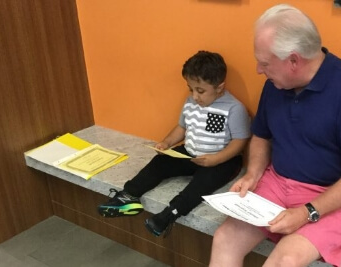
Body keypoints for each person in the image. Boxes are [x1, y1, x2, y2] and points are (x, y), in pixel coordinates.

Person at [210, 4, 341, 267]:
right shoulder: (275, 83)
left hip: (332, 196)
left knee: (287, 259)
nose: (258, 69)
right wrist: (253, 173)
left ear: (293, 60)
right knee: (225, 238)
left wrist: (308, 212)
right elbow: (261, 135)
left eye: (265, 62)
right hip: (278, 183)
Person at [97, 50, 251, 237]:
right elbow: (181, 127)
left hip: (223, 160)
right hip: (190, 152)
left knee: (201, 184)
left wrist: (217, 159)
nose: (194, 96)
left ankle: (169, 215)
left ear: (219, 88)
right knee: (160, 162)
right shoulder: (191, 102)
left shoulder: (234, 108)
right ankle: (128, 196)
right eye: (190, 89)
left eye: (200, 91)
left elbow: (240, 141)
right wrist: (166, 143)